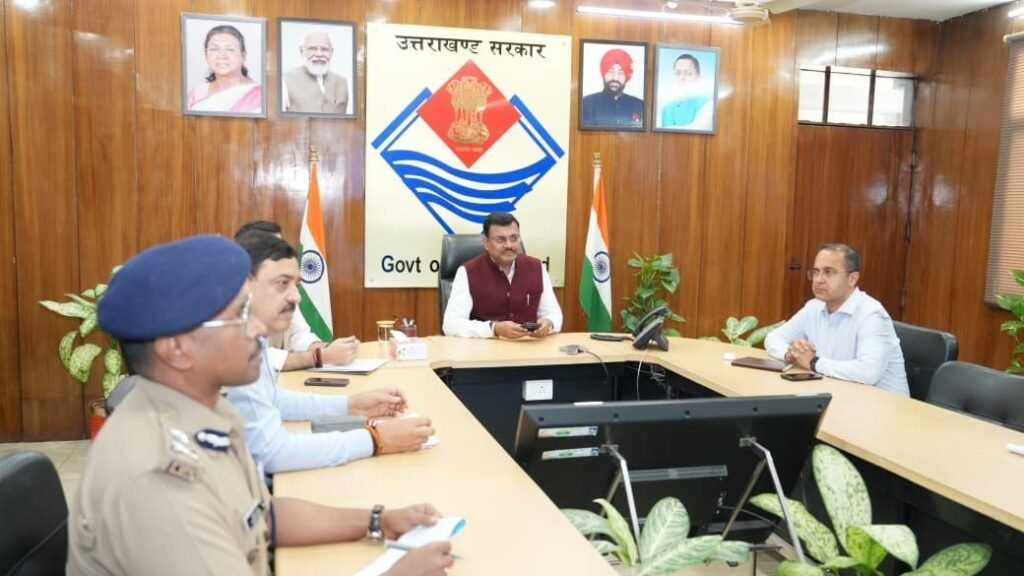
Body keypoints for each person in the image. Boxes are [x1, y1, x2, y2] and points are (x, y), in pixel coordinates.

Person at [68, 235, 453, 576]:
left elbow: (259, 515)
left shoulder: (207, 409)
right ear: (177, 349)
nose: (257, 329)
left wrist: (378, 520)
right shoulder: (157, 480)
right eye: (238, 317)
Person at [229, 231, 434, 473]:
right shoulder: (231, 347)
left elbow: (272, 399)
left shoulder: (252, 336)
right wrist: (375, 438)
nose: (296, 297)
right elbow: (273, 453)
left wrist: (351, 404)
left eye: (296, 285)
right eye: (283, 283)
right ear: (243, 283)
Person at [765, 243, 909, 396]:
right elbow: (773, 338)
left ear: (852, 278)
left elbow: (868, 373)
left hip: (884, 406)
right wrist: (791, 354)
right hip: (842, 396)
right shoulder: (814, 307)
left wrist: (813, 362)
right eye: (816, 272)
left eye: (828, 272)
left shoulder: (871, 315)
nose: (819, 280)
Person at [234, 220, 359, 371]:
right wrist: (321, 356)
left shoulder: (285, 293)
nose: (296, 297)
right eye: (272, 249)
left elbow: (299, 336)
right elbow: (261, 357)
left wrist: (333, 349)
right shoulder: (225, 310)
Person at [443, 212, 563, 339]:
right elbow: (451, 324)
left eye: (514, 238)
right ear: (486, 243)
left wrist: (549, 323)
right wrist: (494, 328)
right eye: (500, 240)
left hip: (528, 346)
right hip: (486, 348)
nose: (509, 245)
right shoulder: (467, 272)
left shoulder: (537, 267)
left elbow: (554, 314)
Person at [188, 25, 263, 114]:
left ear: (243, 55)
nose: (222, 55)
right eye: (214, 49)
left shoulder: (260, 94)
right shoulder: (196, 93)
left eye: (230, 49)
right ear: (206, 56)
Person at [283, 28, 349, 114]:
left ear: (331, 52)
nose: (319, 54)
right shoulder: (285, 80)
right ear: (302, 51)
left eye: (324, 49)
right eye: (312, 49)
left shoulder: (342, 82)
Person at [580, 48, 644, 128]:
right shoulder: (587, 103)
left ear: (627, 76)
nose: (615, 78)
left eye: (620, 73)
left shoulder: (639, 105)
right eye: (611, 71)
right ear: (603, 73)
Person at [660, 54, 713, 130]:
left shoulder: (708, 104)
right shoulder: (666, 109)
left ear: (698, 77)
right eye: (678, 73)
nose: (682, 78)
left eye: (688, 73)